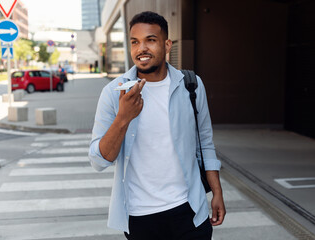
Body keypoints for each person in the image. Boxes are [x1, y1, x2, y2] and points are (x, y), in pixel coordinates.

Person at [89, 11, 225, 240]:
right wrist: (123, 118)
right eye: (135, 42)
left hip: (190, 211)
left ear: (167, 44)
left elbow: (206, 142)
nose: (141, 49)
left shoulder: (191, 85)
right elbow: (98, 160)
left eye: (150, 40)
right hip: (141, 218)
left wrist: (217, 193)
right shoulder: (114, 92)